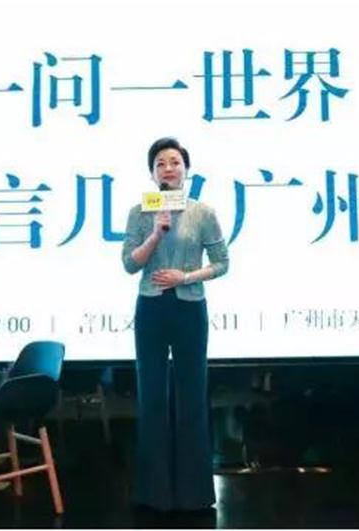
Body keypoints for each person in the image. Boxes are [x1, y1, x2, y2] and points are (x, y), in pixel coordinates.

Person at [121, 137, 229, 512]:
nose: (168, 168)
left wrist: (186, 277)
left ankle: (194, 495)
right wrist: (156, 233)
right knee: (151, 396)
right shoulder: (140, 212)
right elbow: (130, 264)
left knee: (191, 396)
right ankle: (153, 493)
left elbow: (222, 263)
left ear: (186, 169)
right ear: (152, 174)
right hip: (151, 307)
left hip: (189, 308)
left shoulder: (203, 212)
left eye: (174, 162)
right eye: (160, 164)